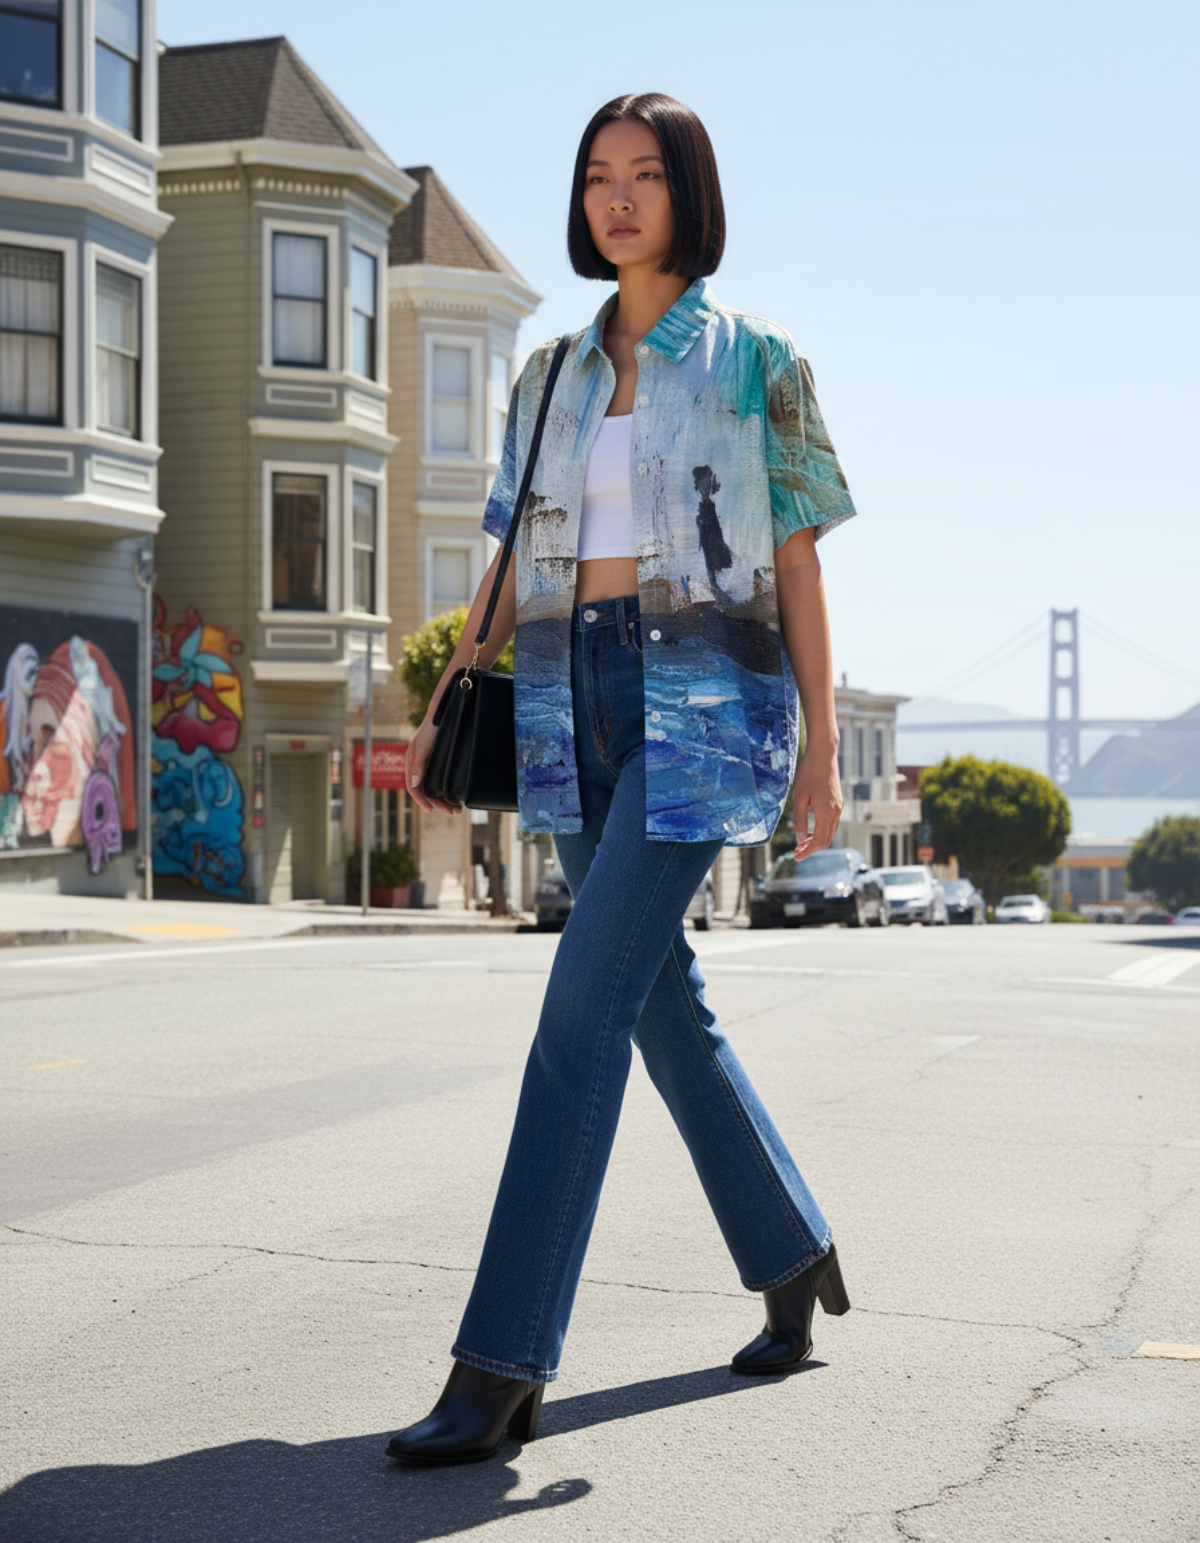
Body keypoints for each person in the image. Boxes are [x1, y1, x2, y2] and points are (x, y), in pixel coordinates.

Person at [392, 92, 857, 1466]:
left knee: (580, 1012)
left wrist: (824, 743)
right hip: (561, 695)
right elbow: (504, 548)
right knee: (660, 1004)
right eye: (598, 176)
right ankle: (791, 1246)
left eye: (645, 175)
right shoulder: (546, 373)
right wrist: (442, 698)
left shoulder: (758, 360)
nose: (617, 198)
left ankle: (500, 1364)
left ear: (688, 196)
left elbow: (796, 561)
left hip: (705, 702)